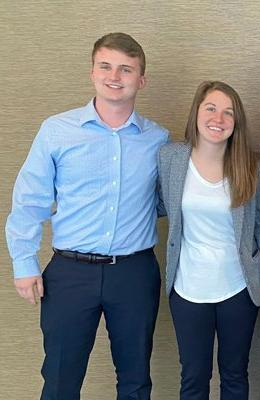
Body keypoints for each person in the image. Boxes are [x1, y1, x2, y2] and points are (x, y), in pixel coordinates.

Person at [5, 32, 167, 400]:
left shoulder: (158, 139)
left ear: (141, 80)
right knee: (61, 379)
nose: (115, 76)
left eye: (127, 69)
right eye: (106, 66)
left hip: (135, 273)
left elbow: (166, 200)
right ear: (92, 72)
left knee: (136, 380)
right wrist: (24, 262)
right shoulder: (57, 131)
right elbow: (30, 200)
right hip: (70, 273)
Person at [157, 81, 260, 400]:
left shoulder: (251, 166)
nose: (218, 118)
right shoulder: (171, 158)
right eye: (210, 108)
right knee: (193, 377)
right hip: (187, 288)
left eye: (228, 112)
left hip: (238, 288)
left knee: (235, 374)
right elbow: (154, 204)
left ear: (236, 122)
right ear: (196, 113)